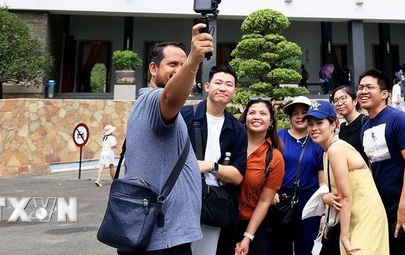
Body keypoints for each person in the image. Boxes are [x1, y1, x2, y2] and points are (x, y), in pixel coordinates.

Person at [121, 28, 212, 254]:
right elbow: (171, 97)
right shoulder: (154, 100)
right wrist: (192, 60)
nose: (179, 70)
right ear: (153, 68)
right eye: (172, 64)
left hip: (163, 233)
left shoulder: (151, 104)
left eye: (183, 66)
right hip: (161, 238)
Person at [358, 70, 405, 255]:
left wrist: (404, 206)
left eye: (369, 87)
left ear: (385, 94)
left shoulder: (398, 120)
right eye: (360, 88)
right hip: (386, 207)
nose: (363, 91)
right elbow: (372, 166)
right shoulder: (366, 127)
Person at [306, 101, 389, 255]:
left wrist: (344, 236)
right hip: (354, 215)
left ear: (333, 124)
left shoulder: (336, 149)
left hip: (365, 216)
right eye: (310, 124)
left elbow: (345, 197)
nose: (314, 128)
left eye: (319, 123)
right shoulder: (327, 151)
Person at [181, 64, 247, 255]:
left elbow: (237, 175)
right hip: (182, 200)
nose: (223, 88)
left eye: (229, 84)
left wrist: (209, 166)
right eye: (218, 82)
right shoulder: (185, 116)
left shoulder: (237, 129)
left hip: (214, 204)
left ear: (235, 91)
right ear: (207, 86)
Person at [268, 96, 325, 255]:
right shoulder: (278, 137)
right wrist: (271, 192)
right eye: (295, 113)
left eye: (304, 113)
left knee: (307, 247)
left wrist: (324, 212)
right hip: (281, 198)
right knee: (278, 246)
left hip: (309, 201)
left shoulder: (317, 141)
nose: (299, 117)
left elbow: (323, 182)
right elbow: (267, 167)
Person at [231, 98, 285, 255]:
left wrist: (247, 238)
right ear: (245, 117)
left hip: (251, 225)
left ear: (271, 122)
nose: (256, 117)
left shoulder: (274, 157)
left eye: (263, 113)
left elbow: (264, 201)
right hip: (220, 220)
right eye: (252, 112)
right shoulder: (231, 145)